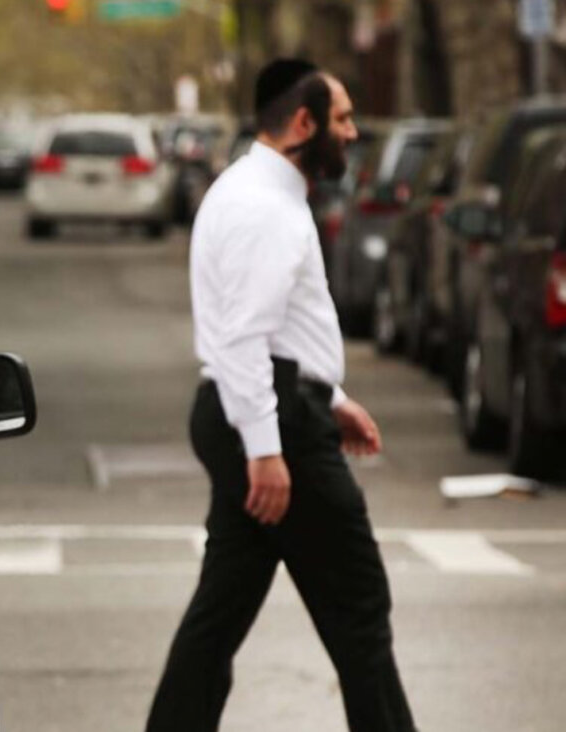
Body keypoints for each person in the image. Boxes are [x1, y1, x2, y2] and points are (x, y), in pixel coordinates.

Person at [144, 59, 417, 732]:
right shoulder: (264, 208)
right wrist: (267, 448)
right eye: (345, 118)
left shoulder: (258, 193)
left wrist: (331, 397)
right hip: (274, 425)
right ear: (304, 123)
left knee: (221, 612)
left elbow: (281, 329)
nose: (353, 134)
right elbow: (245, 337)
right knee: (360, 608)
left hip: (271, 409)